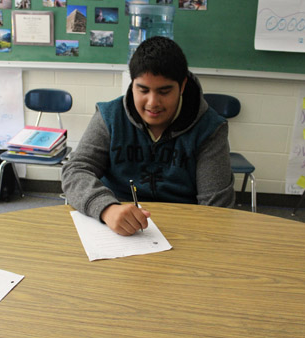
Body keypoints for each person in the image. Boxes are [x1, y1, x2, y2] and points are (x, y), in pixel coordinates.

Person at [61, 36, 234, 236]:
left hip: (185, 230)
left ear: (182, 86)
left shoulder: (210, 128)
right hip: (116, 228)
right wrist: (107, 208)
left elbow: (216, 210)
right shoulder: (110, 116)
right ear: (132, 83)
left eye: (164, 91)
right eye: (143, 90)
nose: (152, 103)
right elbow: (75, 170)